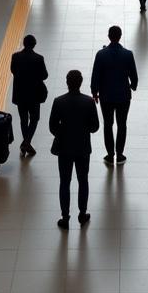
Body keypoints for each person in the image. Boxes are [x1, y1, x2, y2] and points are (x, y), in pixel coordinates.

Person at [49, 69, 100, 229]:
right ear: (81, 83)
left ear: (67, 82)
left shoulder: (58, 101)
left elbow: (52, 126)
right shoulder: (89, 102)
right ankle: (82, 213)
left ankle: (65, 217)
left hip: (64, 148)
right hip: (83, 147)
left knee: (65, 181)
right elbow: (95, 127)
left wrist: (63, 132)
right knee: (82, 180)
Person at [91, 26, 138, 165]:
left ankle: (110, 154)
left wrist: (95, 92)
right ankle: (120, 153)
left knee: (108, 124)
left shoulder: (101, 54)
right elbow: (134, 76)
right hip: (123, 96)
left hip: (106, 96)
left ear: (108, 36)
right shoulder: (128, 54)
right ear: (120, 36)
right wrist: (133, 86)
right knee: (122, 124)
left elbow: (96, 75)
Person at [10, 35, 49, 156]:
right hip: (34, 95)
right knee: (34, 118)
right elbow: (44, 76)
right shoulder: (38, 58)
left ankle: (26, 143)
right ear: (34, 44)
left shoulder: (15, 57)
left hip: (20, 94)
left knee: (23, 120)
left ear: (24, 43)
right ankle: (26, 143)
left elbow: (13, 70)